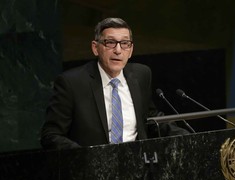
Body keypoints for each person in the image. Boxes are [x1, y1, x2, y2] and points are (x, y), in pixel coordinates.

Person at [41, 17, 189, 149]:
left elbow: (148, 116)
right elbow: (51, 135)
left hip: (137, 165)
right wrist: (85, 157)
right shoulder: (72, 82)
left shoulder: (141, 75)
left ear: (130, 50)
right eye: (110, 42)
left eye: (124, 43)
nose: (118, 50)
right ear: (95, 48)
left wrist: (186, 136)